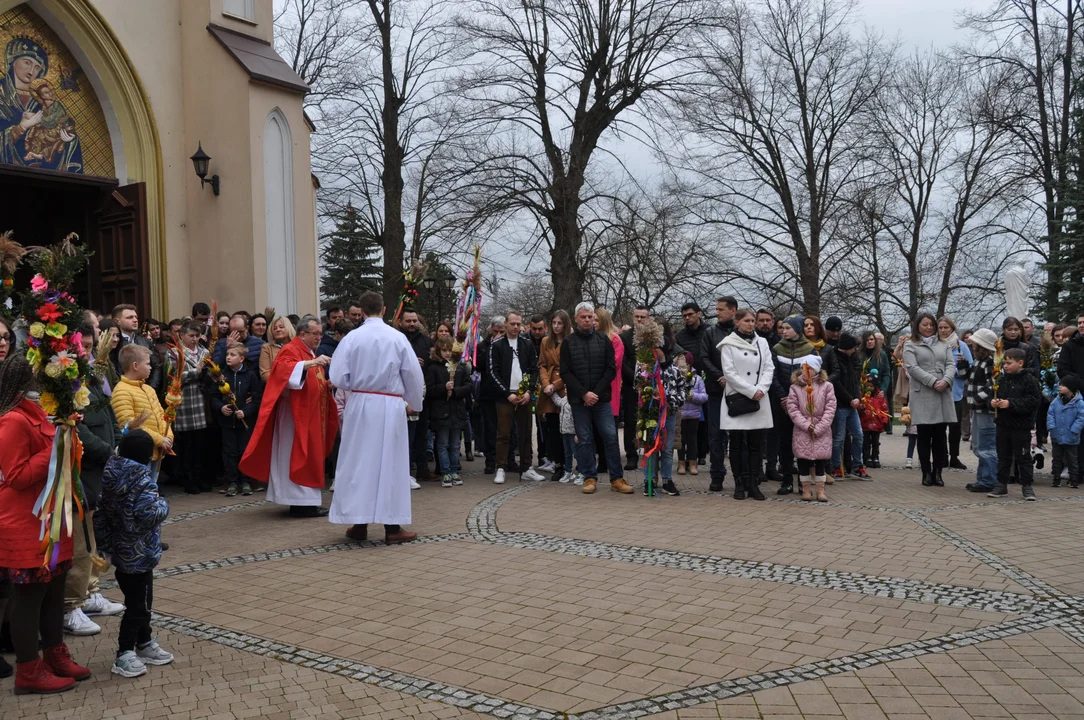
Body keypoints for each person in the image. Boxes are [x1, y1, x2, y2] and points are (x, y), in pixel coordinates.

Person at [0, 355, 93, 694]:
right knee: (29, 596)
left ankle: (55, 654)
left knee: (54, 590)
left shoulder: (40, 413)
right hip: (27, 524)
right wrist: (57, 446)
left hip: (52, 518)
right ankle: (28, 671)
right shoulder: (13, 420)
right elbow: (17, 476)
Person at [329, 291, 425, 544]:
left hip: (360, 403)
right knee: (390, 463)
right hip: (390, 405)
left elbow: (337, 375)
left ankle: (359, 524)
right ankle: (392, 528)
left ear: (361, 311)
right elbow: (413, 374)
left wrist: (356, 385)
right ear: (384, 310)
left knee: (359, 462)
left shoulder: (351, 338)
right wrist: (414, 402)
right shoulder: (398, 338)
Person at [240, 315, 338, 518]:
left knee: (307, 455)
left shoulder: (309, 352)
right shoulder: (291, 349)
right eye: (315, 334)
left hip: (309, 414)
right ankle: (301, 503)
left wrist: (326, 385)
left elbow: (313, 381)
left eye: (321, 333)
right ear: (302, 333)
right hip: (294, 417)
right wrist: (309, 364)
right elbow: (282, 373)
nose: (319, 337)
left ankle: (305, 502)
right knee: (296, 455)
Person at [94, 430, 173, 678]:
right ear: (147, 456)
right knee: (138, 606)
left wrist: (106, 546)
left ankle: (145, 643)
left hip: (122, 551)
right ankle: (124, 653)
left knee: (139, 602)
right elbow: (149, 514)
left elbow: (100, 516)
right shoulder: (143, 480)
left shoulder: (111, 475)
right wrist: (163, 503)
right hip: (140, 553)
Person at [63, 327, 124, 638]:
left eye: (90, 345)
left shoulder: (95, 375)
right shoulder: (69, 381)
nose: (87, 351)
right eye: (83, 346)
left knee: (93, 535)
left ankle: (92, 590)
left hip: (101, 463)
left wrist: (116, 444)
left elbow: (107, 413)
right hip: (84, 466)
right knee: (81, 539)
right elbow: (77, 428)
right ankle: (73, 602)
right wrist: (105, 451)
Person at [562, 302, 632, 495]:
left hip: (601, 400)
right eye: (583, 317)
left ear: (595, 318)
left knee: (610, 437)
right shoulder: (569, 342)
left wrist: (596, 393)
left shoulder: (603, 340)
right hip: (579, 400)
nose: (587, 320)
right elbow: (566, 372)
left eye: (590, 317)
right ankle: (589, 477)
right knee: (584, 439)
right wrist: (584, 393)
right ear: (576, 319)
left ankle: (616, 478)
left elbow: (610, 369)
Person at [718, 308, 775, 501]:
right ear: (737, 322)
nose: (751, 324)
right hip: (737, 397)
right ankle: (739, 483)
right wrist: (750, 391)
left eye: (753, 321)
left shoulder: (763, 342)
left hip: (759, 397)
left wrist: (761, 389)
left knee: (755, 445)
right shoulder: (728, 344)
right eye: (747, 321)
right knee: (736, 444)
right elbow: (729, 372)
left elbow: (769, 367)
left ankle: (753, 483)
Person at [488, 311, 543, 484]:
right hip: (505, 396)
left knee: (526, 433)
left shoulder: (527, 344)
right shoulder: (497, 346)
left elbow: (534, 369)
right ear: (506, 324)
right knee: (503, 434)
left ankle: (526, 467)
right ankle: (501, 467)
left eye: (518, 324)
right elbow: (492, 372)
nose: (516, 327)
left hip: (524, 395)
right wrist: (507, 393)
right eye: (512, 324)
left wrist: (529, 391)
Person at [902, 313, 957, 487]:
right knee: (924, 436)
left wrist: (946, 380)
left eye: (931, 324)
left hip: (942, 393)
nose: (929, 327)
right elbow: (912, 368)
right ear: (918, 326)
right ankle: (926, 472)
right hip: (923, 393)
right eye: (925, 324)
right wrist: (932, 381)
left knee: (940, 436)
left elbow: (951, 364)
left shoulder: (944, 343)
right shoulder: (910, 344)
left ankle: (938, 472)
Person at [210, 342, 263, 497]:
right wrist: (221, 407)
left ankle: (246, 481)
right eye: (227, 355)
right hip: (227, 422)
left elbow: (257, 398)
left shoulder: (250, 375)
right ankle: (232, 481)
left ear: (241, 358)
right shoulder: (221, 376)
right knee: (230, 452)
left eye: (232, 355)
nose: (228, 357)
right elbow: (214, 397)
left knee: (244, 450)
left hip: (244, 422)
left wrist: (246, 412)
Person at [772, 316, 818, 494]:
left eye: (788, 328)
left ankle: (803, 481)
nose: (784, 331)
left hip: (802, 403)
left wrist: (797, 397)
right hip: (782, 403)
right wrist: (783, 396)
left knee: (802, 442)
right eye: (783, 328)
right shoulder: (776, 348)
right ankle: (787, 480)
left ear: (797, 329)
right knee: (784, 443)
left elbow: (812, 376)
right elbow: (773, 374)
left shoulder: (810, 349)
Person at [989, 348, 1042, 500]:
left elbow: (1033, 401)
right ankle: (1001, 484)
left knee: (1023, 456)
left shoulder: (1030, 380)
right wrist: (993, 402)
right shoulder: (1001, 379)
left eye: (1009, 363)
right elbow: (992, 395)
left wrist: (1011, 404)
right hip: (1003, 424)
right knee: (1003, 456)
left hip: (1021, 425)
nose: (1005, 366)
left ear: (1020, 363)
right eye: (1004, 363)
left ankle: (1027, 486)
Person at [699, 296, 738, 491]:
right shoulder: (710, 332)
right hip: (716, 390)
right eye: (717, 309)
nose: (717, 312)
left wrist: (733, 379)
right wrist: (719, 376)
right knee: (715, 434)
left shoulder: (741, 333)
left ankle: (742, 474)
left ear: (733, 310)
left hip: (739, 391)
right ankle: (717, 474)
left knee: (738, 434)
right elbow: (704, 357)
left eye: (721, 309)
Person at [111, 344, 173, 466]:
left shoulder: (149, 389)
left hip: (156, 452)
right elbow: (129, 424)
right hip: (139, 455)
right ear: (135, 366)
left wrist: (168, 436)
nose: (150, 368)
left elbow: (162, 415)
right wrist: (160, 440)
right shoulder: (121, 391)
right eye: (147, 364)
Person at [785, 355, 836, 502]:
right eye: (804, 368)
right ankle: (806, 489)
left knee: (820, 461)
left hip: (821, 427)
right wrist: (806, 425)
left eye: (810, 368)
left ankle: (820, 490)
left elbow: (830, 408)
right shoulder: (795, 387)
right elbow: (792, 409)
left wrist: (820, 427)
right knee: (803, 460)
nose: (807, 371)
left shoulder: (827, 386)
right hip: (803, 428)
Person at [168, 321, 210, 494]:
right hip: (185, 403)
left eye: (197, 336)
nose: (194, 339)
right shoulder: (175, 353)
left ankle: (200, 478)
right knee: (186, 445)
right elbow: (172, 376)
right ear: (182, 335)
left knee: (201, 444)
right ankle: (188, 479)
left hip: (201, 402)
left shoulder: (205, 351)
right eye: (191, 336)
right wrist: (196, 371)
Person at [426, 337, 472, 487]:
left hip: (457, 411)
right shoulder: (434, 368)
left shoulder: (460, 367)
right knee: (442, 443)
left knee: (455, 444)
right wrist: (443, 388)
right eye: (444, 350)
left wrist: (456, 391)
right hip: (441, 412)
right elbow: (429, 389)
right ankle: (445, 471)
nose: (447, 353)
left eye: (449, 350)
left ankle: (454, 470)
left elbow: (468, 386)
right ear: (438, 351)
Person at [824, 333, 868, 479]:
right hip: (841, 404)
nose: (855, 349)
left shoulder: (853, 359)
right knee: (839, 438)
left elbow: (855, 381)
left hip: (852, 404)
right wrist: (850, 399)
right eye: (853, 347)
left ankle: (857, 465)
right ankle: (836, 466)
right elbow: (837, 384)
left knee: (858, 435)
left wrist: (857, 398)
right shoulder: (835, 359)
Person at [400, 310, 435, 480]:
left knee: (422, 433)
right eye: (408, 321)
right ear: (401, 322)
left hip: (423, 393)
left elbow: (433, 364)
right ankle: (404, 471)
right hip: (401, 395)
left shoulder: (426, 341)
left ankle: (422, 469)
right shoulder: (398, 339)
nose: (412, 324)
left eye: (414, 320)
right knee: (404, 435)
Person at [675, 302, 709, 467]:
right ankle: (685, 457)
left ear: (699, 314)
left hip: (706, 377)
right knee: (688, 424)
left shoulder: (708, 331)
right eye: (684, 316)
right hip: (687, 377)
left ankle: (701, 453)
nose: (687, 318)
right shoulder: (680, 336)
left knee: (704, 421)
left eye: (690, 314)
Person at [539, 310, 571, 482]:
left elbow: (570, 368)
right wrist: (546, 384)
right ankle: (557, 464)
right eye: (554, 323)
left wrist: (556, 385)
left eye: (560, 323)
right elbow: (542, 365)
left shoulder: (570, 341)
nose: (556, 326)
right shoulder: (545, 341)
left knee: (567, 431)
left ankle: (569, 465)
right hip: (549, 389)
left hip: (564, 387)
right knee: (552, 429)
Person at [965, 328, 999, 493]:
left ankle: (989, 479)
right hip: (977, 409)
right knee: (978, 445)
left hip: (985, 410)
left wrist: (979, 398)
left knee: (986, 446)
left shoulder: (989, 362)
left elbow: (992, 383)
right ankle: (983, 478)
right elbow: (970, 380)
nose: (972, 345)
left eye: (975, 343)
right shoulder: (978, 361)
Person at [619, 306, 652, 470]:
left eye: (643, 317)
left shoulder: (653, 336)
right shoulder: (624, 337)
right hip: (630, 384)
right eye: (636, 317)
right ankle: (631, 454)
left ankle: (649, 451)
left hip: (651, 385)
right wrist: (637, 378)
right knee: (631, 421)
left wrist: (649, 379)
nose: (639, 320)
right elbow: (622, 362)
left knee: (649, 419)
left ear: (648, 318)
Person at [938, 316, 973, 470]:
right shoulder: (935, 344)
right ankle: (942, 456)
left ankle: (954, 457)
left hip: (955, 393)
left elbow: (971, 367)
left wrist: (962, 363)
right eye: (941, 327)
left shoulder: (961, 345)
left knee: (955, 427)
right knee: (939, 427)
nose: (944, 330)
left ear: (952, 329)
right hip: (938, 391)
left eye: (946, 327)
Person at [594, 308, 624, 475]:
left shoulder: (615, 340)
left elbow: (615, 363)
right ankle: (601, 461)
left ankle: (610, 462)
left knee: (609, 430)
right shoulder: (594, 338)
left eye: (596, 320)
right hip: (595, 388)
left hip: (610, 389)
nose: (593, 323)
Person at [111, 303, 162, 391]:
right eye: (130, 317)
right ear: (117, 321)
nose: (135, 320)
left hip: (146, 390)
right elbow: (114, 370)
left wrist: (151, 387)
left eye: (136, 317)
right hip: (123, 391)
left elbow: (156, 366)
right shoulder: (114, 343)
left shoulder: (145, 342)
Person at [478, 316, 506, 474]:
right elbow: (479, 365)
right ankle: (490, 460)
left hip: (503, 393)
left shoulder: (508, 345)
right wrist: (492, 348)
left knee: (506, 428)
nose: (499, 334)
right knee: (490, 428)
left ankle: (506, 459)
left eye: (502, 331)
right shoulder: (483, 346)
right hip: (488, 393)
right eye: (496, 331)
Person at [1047, 375, 1084, 488]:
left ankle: (1074, 479)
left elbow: (1081, 418)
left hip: (1071, 435)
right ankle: (1056, 478)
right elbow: (1050, 414)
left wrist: (1074, 430)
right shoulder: (1056, 401)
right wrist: (1051, 427)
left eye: (1063, 385)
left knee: (1072, 459)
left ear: (1070, 387)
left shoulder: (1079, 403)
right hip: (1057, 434)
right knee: (1056, 458)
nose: (1059, 386)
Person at [677, 352, 708, 476]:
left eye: (686, 365)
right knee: (680, 440)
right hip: (681, 414)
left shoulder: (698, 379)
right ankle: (681, 463)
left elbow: (704, 396)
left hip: (694, 415)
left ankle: (692, 463)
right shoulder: (677, 377)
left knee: (692, 440)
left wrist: (693, 396)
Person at [859, 369, 888, 468]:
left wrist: (884, 420)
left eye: (871, 386)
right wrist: (861, 407)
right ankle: (866, 458)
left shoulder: (879, 396)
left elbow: (884, 408)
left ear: (875, 386)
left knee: (875, 442)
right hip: (865, 424)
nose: (869, 388)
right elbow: (859, 408)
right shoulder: (862, 396)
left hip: (877, 424)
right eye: (867, 386)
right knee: (866, 442)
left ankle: (875, 457)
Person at [259, 315, 295, 382]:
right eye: (274, 328)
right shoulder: (266, 348)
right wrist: (286, 380)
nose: (278, 330)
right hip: (277, 388)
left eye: (281, 327)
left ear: (289, 328)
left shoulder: (297, 346)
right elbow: (265, 374)